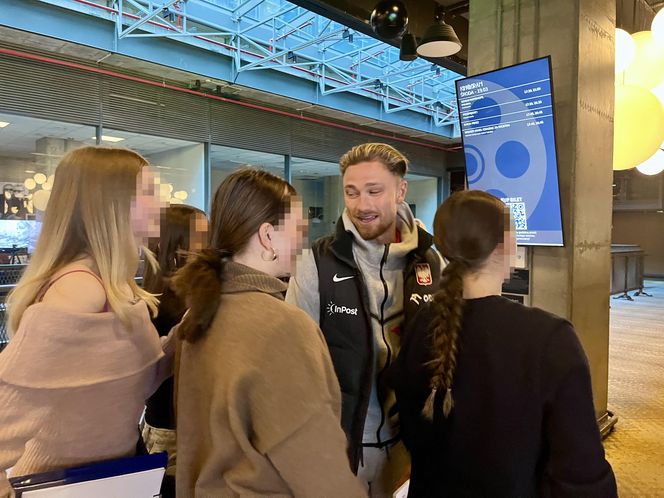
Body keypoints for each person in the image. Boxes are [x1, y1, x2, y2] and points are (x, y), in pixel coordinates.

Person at [387, 190, 617, 497]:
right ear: (509, 245)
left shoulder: (421, 325)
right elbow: (580, 471)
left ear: (442, 250)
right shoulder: (550, 338)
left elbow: (412, 429)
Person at [172, 168, 365, 498]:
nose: (302, 241)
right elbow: (314, 460)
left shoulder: (200, 316)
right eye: (296, 229)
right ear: (267, 236)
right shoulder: (281, 325)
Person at [0, 146, 173, 497]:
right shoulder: (79, 289)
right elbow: (14, 394)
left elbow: (133, 381)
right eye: (149, 193)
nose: (161, 204)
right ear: (111, 203)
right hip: (64, 482)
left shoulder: (113, 284)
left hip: (111, 474)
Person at [286, 143, 441, 496]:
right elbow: (296, 366)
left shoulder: (431, 264)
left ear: (401, 191)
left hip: (412, 448)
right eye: (351, 193)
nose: (362, 205)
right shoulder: (316, 265)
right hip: (341, 452)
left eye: (374, 191)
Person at [141, 204, 208, 498]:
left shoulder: (152, 298)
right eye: (201, 238)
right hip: (173, 432)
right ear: (177, 243)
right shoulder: (161, 304)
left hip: (165, 426)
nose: (208, 246)